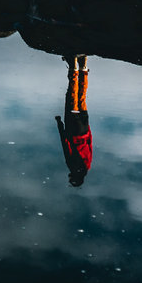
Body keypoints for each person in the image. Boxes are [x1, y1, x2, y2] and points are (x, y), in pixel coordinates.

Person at [55, 55, 92, 187]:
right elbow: (66, 145)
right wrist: (59, 124)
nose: (69, 175)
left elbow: (90, 144)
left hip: (84, 127)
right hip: (74, 130)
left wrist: (88, 129)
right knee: (72, 95)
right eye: (71, 177)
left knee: (82, 96)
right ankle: (73, 67)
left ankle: (83, 67)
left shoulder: (87, 165)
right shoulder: (72, 165)